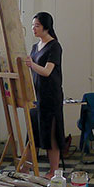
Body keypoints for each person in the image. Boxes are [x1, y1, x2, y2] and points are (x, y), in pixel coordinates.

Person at [26, 11, 64, 174]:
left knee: (51, 133)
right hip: (37, 96)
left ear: (46, 27)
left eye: (37, 26)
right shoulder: (36, 47)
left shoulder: (54, 46)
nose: (34, 29)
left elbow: (48, 71)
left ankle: (53, 170)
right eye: (33, 25)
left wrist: (31, 64)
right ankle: (25, 166)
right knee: (32, 132)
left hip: (50, 96)